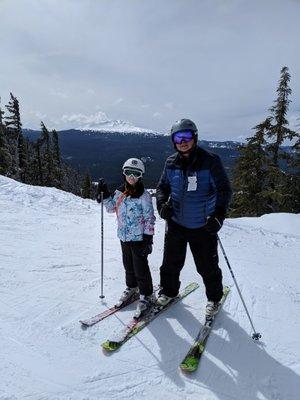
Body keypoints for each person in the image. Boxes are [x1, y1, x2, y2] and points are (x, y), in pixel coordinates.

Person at [156, 119, 232, 318]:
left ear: (195, 137)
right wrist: (162, 206)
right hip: (176, 223)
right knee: (170, 263)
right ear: (173, 141)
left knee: (207, 266)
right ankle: (169, 292)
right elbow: (162, 188)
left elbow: (224, 189)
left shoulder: (210, 161)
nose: (183, 141)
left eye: (187, 136)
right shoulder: (171, 162)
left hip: (203, 225)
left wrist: (218, 216)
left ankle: (214, 298)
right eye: (178, 138)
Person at [97, 158, 156, 319]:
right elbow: (111, 208)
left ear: (141, 176)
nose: (131, 176)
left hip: (139, 239)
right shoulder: (119, 192)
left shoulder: (144, 196)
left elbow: (149, 218)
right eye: (128, 172)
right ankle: (132, 287)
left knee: (140, 268)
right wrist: (105, 195)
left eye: (136, 173)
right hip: (123, 237)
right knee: (128, 265)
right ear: (123, 174)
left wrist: (148, 239)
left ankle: (147, 295)